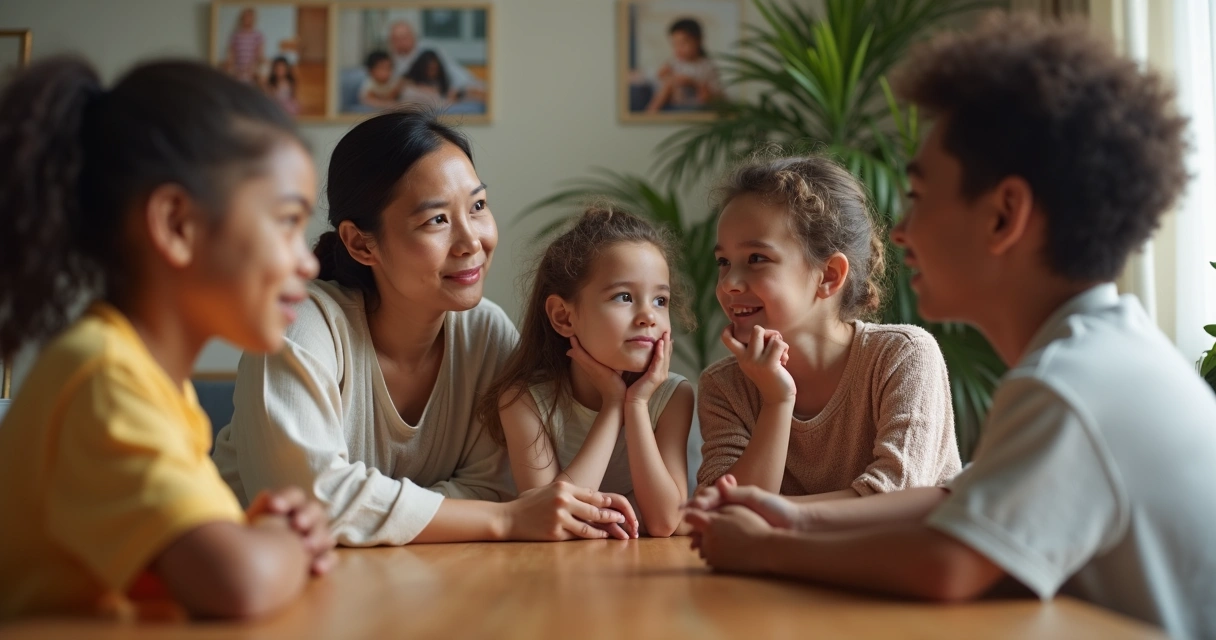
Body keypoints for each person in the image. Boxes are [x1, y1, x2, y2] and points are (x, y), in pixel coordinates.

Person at [684, 14, 1216, 639]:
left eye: (919, 195)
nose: (899, 232)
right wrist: (792, 520)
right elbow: (954, 504)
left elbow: (950, 566)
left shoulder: (1069, 384)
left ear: (1003, 216)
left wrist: (765, 548)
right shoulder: (1102, 354)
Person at [0, 57, 334, 619]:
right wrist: (285, 540)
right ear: (177, 225)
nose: (309, 262)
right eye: (287, 221)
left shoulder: (152, 382)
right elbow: (239, 583)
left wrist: (250, 535)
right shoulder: (105, 379)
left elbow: (190, 566)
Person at [212, 108, 638, 546]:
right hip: (246, 588)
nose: (472, 241)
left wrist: (380, 514)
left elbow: (493, 485)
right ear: (361, 243)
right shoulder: (298, 328)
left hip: (411, 581)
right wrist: (503, 521)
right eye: (436, 220)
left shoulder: (486, 333)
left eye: (477, 207)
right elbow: (311, 502)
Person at [698, 154, 959, 502]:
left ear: (829, 276)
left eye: (756, 259)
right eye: (723, 262)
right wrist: (777, 401)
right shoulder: (724, 386)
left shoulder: (903, 357)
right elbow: (721, 509)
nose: (729, 283)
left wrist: (771, 515)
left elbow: (893, 501)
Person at [481, 208, 695, 538]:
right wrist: (612, 405)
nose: (648, 316)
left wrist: (635, 406)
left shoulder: (673, 396)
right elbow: (551, 519)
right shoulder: (523, 401)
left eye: (660, 300)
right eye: (624, 297)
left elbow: (665, 522)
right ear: (563, 317)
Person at [387, 20, 485, 102]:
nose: (400, 43)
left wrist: (466, 89)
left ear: (413, 36)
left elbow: (455, 74)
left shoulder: (430, 51)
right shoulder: (388, 58)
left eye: (404, 38)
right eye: (396, 39)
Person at [646, 17, 723, 113]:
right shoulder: (674, 62)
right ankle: (650, 112)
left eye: (683, 43)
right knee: (668, 84)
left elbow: (717, 92)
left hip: (697, 99)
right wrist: (666, 75)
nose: (678, 49)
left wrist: (692, 82)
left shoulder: (707, 66)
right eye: (675, 44)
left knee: (705, 90)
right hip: (676, 97)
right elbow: (660, 75)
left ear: (698, 41)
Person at [223, 8, 264, 85]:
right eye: (245, 17)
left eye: (249, 17)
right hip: (237, 71)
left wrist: (251, 69)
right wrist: (233, 69)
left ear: (253, 19)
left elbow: (259, 55)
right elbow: (231, 54)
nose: (247, 19)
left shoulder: (258, 35)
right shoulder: (236, 35)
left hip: (252, 72)